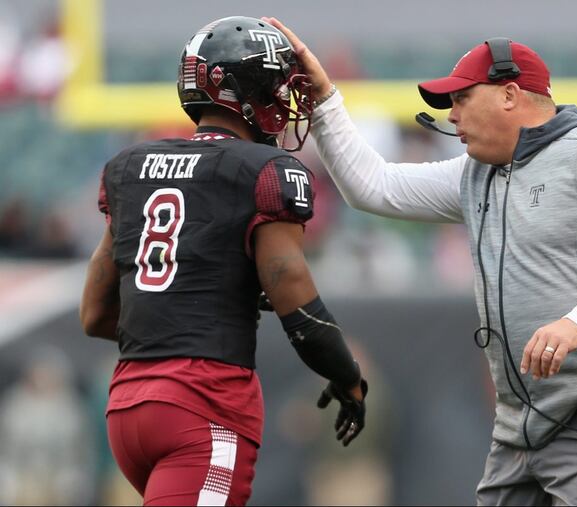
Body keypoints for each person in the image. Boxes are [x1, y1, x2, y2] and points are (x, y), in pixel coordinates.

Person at [266, 18, 577, 506]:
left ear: (510, 95)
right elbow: (374, 187)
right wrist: (324, 101)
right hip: (525, 421)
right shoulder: (479, 174)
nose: (452, 116)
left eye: (462, 99)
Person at [79, 17, 368, 506]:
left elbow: (94, 314)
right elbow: (298, 306)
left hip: (128, 406)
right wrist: (347, 378)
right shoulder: (263, 171)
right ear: (245, 90)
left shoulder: (130, 166)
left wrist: (179, 320)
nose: (285, 98)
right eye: (277, 84)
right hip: (203, 408)